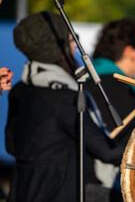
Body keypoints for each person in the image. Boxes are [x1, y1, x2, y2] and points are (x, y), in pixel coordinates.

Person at [5, 11, 125, 202]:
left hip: (23, 192)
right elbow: (106, 151)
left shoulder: (20, 89)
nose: (75, 47)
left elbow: (11, 145)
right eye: (71, 40)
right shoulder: (65, 97)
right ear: (56, 48)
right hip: (59, 193)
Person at [84, 17, 135, 191]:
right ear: (128, 52)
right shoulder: (118, 87)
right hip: (103, 184)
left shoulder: (91, 78)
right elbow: (129, 144)